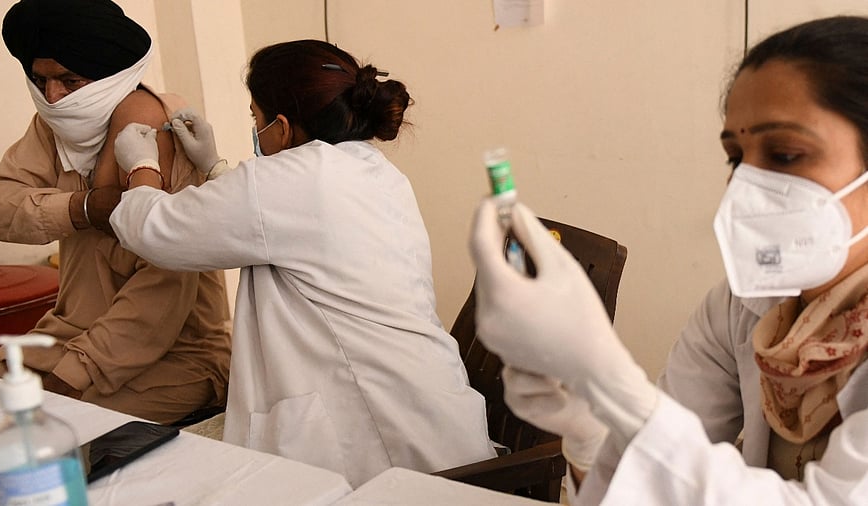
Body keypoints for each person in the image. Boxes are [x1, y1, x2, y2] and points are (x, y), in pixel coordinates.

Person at [469, 15, 868, 505]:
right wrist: (592, 431)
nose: (742, 189)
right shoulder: (744, 307)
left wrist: (611, 382)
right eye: (736, 158)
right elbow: (671, 473)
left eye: (785, 154)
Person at [107, 39, 497, 486]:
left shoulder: (288, 182)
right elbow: (274, 222)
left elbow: (158, 232)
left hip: (384, 440)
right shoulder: (373, 169)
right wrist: (213, 166)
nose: (255, 129)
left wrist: (141, 168)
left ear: (284, 127)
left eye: (255, 117)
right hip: (431, 406)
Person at [0, 0, 232, 426]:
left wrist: (72, 376)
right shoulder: (52, 128)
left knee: (34, 431)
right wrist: (81, 208)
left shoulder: (162, 136)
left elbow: (159, 300)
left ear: (107, 78)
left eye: (69, 80)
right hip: (66, 333)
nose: (53, 96)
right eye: (40, 80)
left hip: (177, 354)